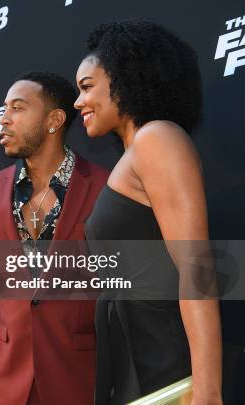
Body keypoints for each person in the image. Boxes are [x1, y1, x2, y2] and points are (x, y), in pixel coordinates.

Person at [74, 21, 223, 405]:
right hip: (133, 367)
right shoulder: (134, 154)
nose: (78, 102)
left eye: (87, 86)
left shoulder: (157, 138)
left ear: (124, 79)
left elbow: (197, 267)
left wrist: (207, 393)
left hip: (164, 366)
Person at [0, 72, 109, 405]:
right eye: (4, 109)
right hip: (11, 383)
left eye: (18, 108)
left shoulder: (105, 187)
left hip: (81, 379)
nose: (3, 119)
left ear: (54, 120)